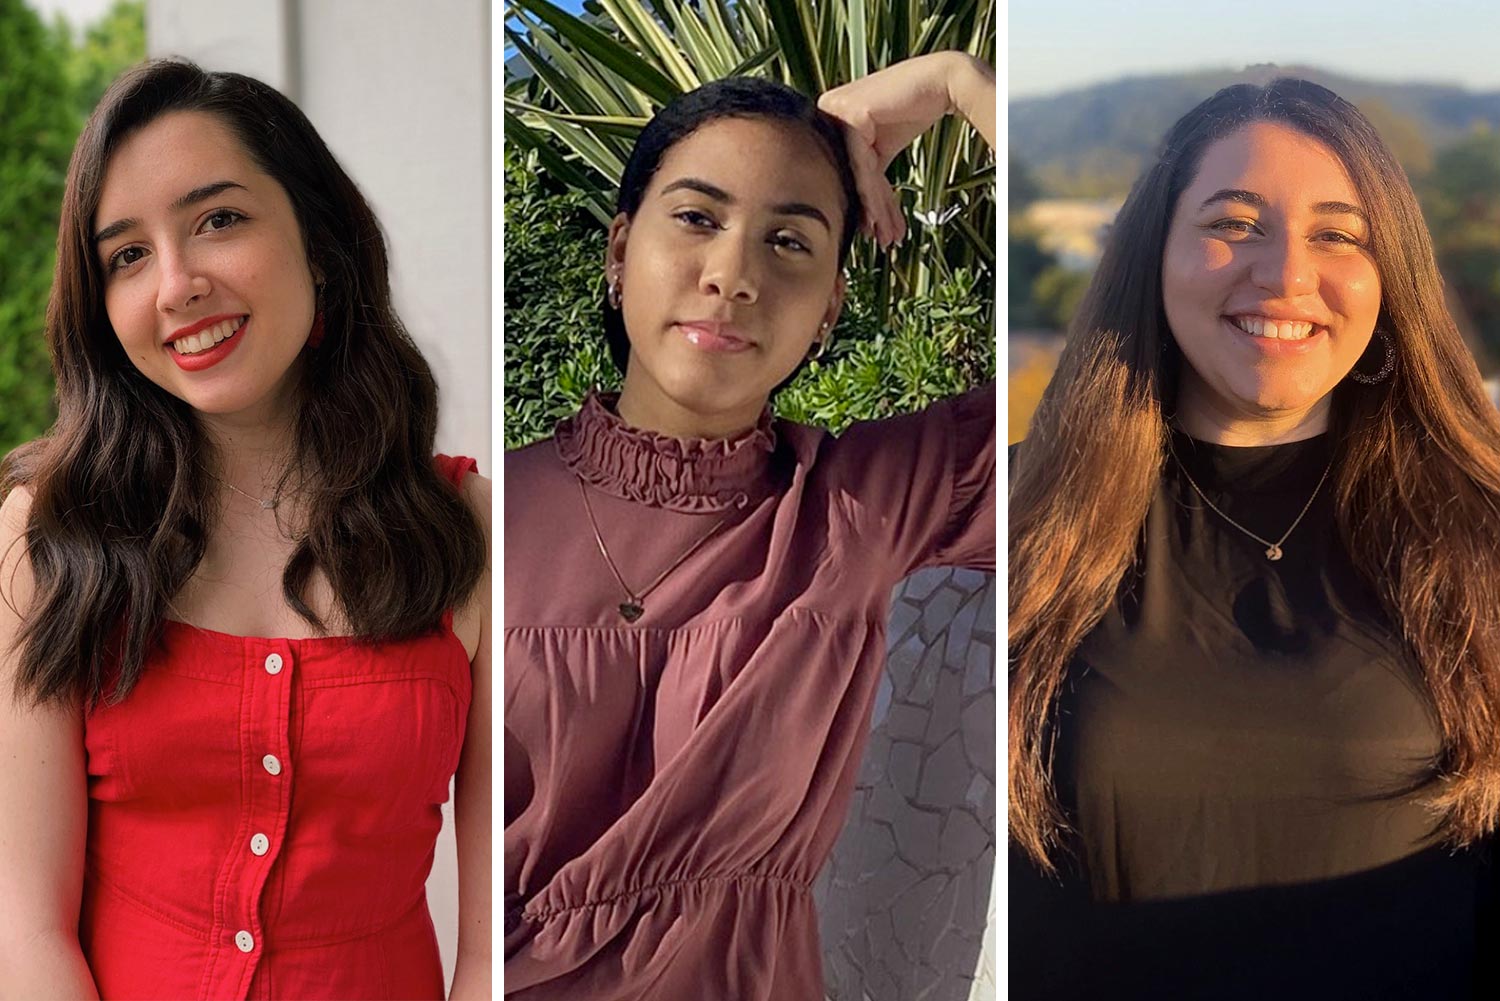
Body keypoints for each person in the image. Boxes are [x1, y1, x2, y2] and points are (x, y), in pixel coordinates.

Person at [504, 52, 996, 998]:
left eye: (791, 242)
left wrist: (963, 85)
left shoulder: (858, 509)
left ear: (830, 310)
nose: (732, 274)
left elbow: (1117, 376)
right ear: (618, 251)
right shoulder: (487, 518)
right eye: (697, 218)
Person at [0, 60, 491, 999]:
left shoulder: (466, 534)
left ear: (319, 238)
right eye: (128, 256)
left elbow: (486, 955)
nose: (178, 284)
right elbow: (25, 933)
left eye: (217, 219)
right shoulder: (49, 535)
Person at [1009, 77, 1500, 998]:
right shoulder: (1018, 517)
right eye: (1234, 223)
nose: (1284, 275)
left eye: (1338, 234)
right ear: (1151, 254)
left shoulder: (1481, 529)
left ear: (1390, 274)